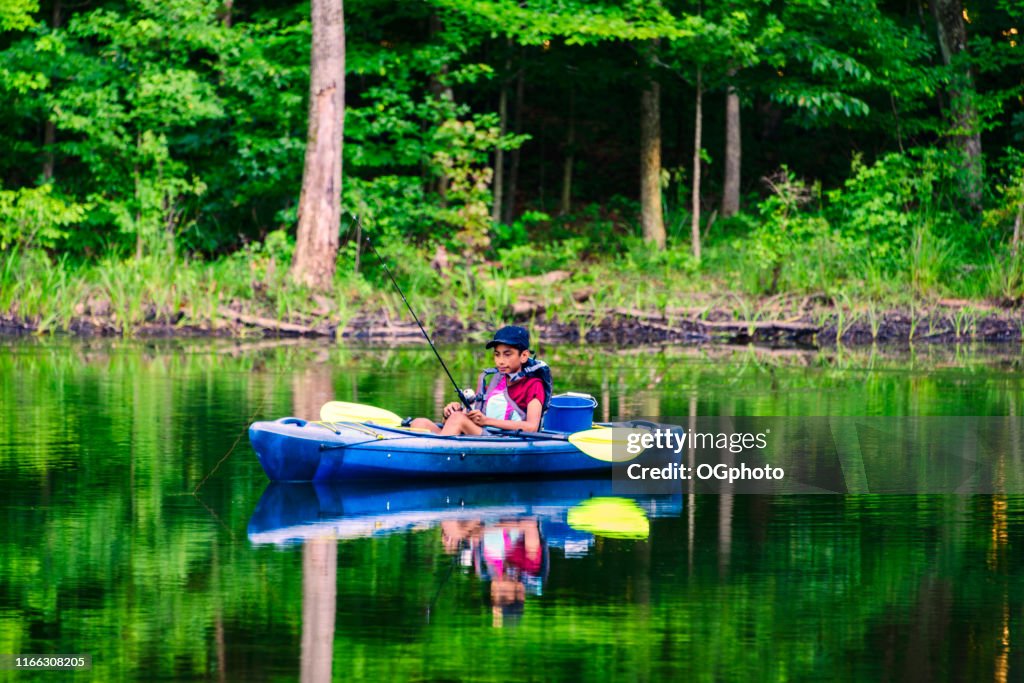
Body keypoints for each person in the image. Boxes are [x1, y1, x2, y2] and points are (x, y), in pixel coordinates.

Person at [409, 325, 551, 436]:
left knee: (457, 420)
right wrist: (451, 412)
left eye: (507, 355)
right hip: (483, 435)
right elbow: (474, 413)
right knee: (419, 423)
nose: (500, 361)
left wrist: (486, 421)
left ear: (524, 356)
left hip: (505, 442)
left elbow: (532, 427)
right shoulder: (495, 382)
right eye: (497, 355)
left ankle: (434, 457)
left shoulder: (534, 385)